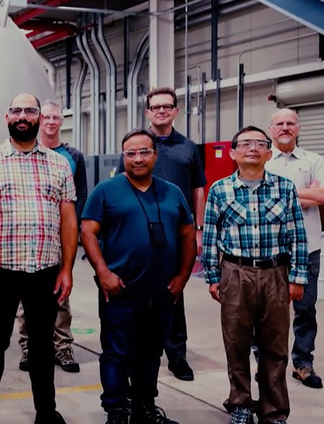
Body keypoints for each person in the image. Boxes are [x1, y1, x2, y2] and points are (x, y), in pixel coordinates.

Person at [0, 93, 78, 424]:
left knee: (43, 346)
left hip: (45, 270)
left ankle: (46, 412)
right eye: (16, 110)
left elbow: (69, 220)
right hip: (0, 271)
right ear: (7, 117)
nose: (22, 115)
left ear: (39, 118)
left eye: (30, 110)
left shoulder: (59, 163)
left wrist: (68, 270)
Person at [82, 129, 196, 424]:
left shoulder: (173, 192)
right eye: (130, 153)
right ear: (123, 157)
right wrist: (103, 272)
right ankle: (117, 411)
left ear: (155, 155)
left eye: (144, 151)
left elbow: (186, 235)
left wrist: (183, 277)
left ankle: (144, 407)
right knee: (116, 353)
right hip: (120, 290)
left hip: (161, 292)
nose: (137, 158)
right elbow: (88, 232)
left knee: (150, 353)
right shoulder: (106, 191)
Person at [203, 126, 307, 424]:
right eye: (245, 143)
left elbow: (298, 235)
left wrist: (297, 277)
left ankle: (274, 411)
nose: (252, 148)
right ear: (233, 153)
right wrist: (212, 276)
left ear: (268, 152)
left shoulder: (285, 188)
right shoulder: (219, 190)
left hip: (276, 273)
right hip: (235, 273)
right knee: (236, 343)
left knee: (275, 345)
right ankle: (240, 405)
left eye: (259, 143)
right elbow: (210, 237)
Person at [116, 87, 206, 381]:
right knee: (135, 291)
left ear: (176, 111)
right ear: (148, 112)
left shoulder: (189, 148)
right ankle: (133, 350)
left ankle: (177, 354)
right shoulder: (137, 146)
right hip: (137, 233)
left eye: (167, 106)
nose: (162, 111)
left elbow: (198, 189)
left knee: (174, 291)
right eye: (156, 107)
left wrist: (199, 230)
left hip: (176, 232)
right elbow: (120, 184)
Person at [17, 100, 86, 374]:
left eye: (56, 117)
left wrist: (72, 230)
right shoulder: (25, 152)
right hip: (29, 237)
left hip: (59, 238)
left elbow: (80, 194)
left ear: (62, 121)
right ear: (38, 120)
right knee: (26, 296)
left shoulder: (72, 157)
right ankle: (28, 346)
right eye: (46, 117)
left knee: (61, 294)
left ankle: (62, 346)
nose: (50, 122)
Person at [266, 109, 324, 389]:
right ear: (271, 130)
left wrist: (283, 193)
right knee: (267, 310)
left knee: (306, 309)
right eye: (279, 123)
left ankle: (302, 363)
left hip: (307, 249)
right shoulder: (262, 160)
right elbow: (260, 197)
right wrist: (304, 194)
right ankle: (266, 361)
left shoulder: (314, 160)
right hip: (270, 249)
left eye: (290, 123)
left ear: (298, 128)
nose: (285, 127)